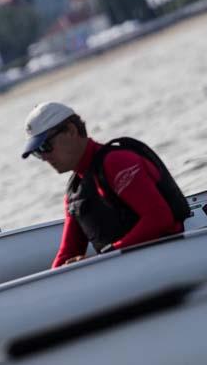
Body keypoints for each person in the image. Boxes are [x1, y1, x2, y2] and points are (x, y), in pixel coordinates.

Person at [21, 102, 191, 268]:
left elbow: (159, 218)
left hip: (174, 258)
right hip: (129, 266)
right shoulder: (74, 192)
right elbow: (68, 253)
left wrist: (108, 255)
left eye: (45, 146)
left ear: (71, 131)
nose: (44, 157)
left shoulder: (116, 162)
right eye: (37, 153)